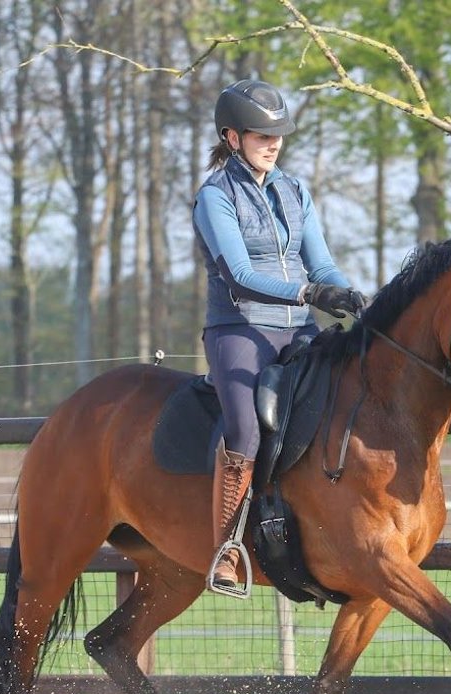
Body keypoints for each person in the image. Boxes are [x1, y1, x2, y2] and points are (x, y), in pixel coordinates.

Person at [192, 78, 367, 596]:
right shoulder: (214, 198)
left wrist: (353, 297)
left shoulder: (294, 190)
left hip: (300, 331)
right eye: (261, 135)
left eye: (278, 135)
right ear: (231, 137)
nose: (273, 143)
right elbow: (240, 276)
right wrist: (309, 293)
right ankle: (226, 549)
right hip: (239, 330)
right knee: (245, 430)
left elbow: (324, 263)